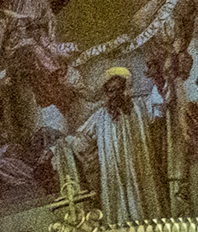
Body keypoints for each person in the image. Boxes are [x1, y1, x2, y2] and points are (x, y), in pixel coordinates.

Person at [65, 67, 163, 223]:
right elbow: (81, 138)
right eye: (111, 91)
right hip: (113, 173)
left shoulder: (139, 107)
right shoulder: (100, 116)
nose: (115, 94)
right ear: (106, 94)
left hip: (139, 168)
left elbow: (159, 107)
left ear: (125, 89)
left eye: (119, 89)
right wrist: (63, 145)